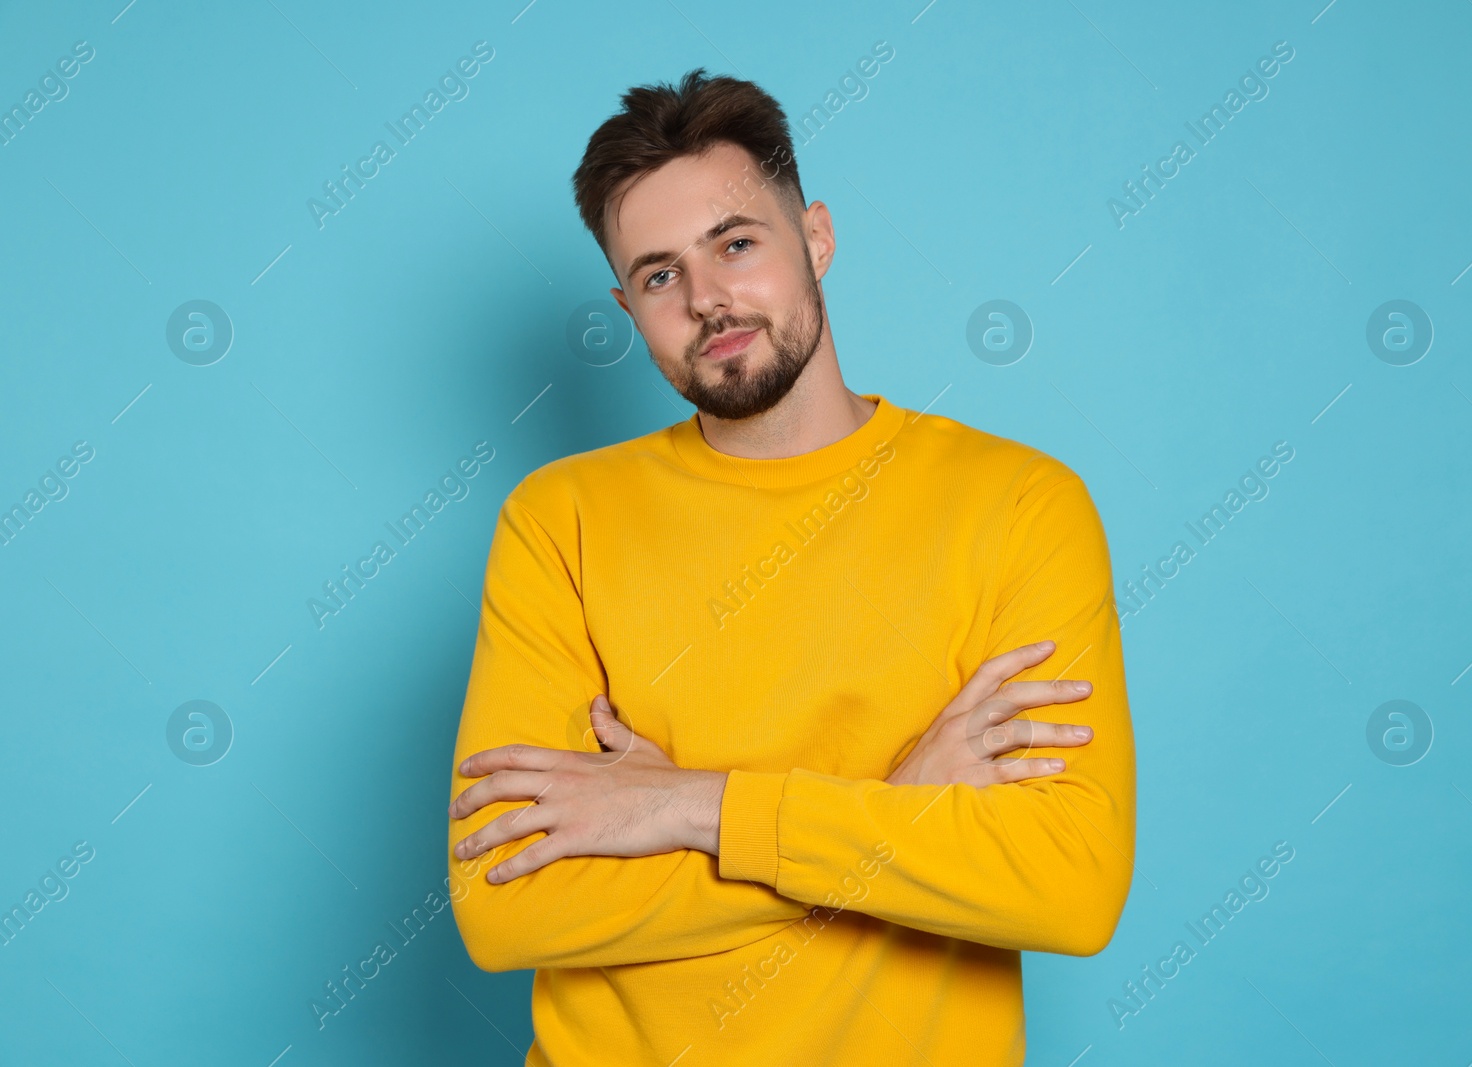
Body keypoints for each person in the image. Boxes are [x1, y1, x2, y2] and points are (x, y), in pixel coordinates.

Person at [447, 67, 1136, 1067]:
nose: (707, 299)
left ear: (815, 237)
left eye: (735, 243)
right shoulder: (561, 520)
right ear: (626, 303)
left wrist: (688, 804)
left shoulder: (1019, 505)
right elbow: (503, 906)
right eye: (658, 274)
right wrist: (896, 807)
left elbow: (1066, 887)